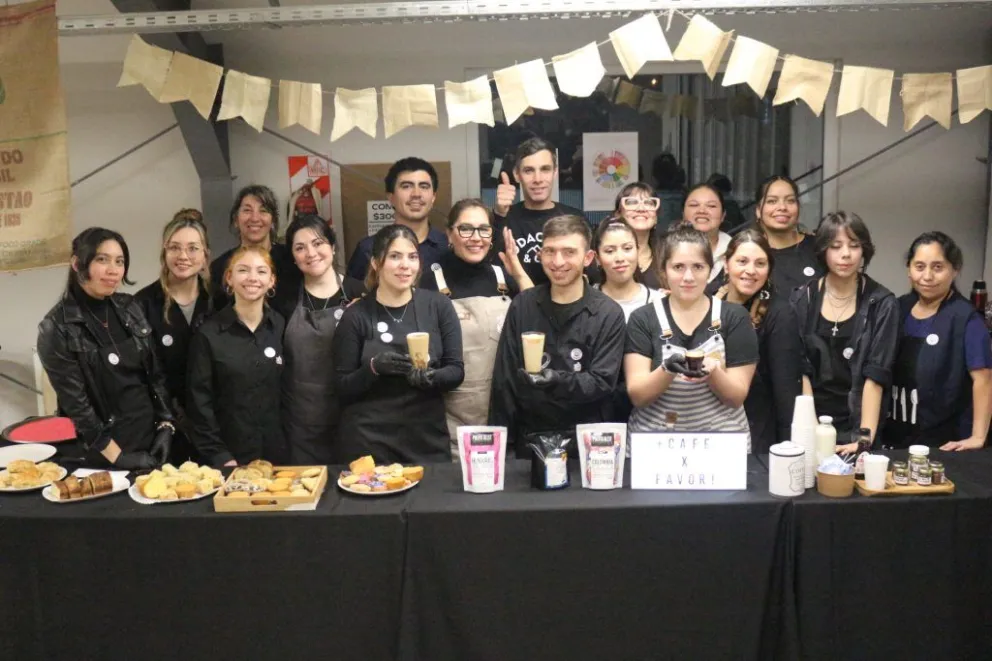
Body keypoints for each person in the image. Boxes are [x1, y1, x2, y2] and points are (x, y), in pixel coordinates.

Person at [489, 215, 627, 457]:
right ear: (539, 254)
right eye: (550, 251)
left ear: (588, 258)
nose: (558, 261)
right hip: (529, 439)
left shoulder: (608, 313)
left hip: (588, 444)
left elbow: (602, 382)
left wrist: (556, 380)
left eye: (569, 252)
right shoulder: (523, 305)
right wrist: (502, 449)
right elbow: (505, 381)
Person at [37, 228, 175, 469]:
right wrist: (118, 458)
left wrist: (166, 424)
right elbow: (78, 408)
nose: (113, 270)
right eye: (102, 259)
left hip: (151, 440)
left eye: (119, 262)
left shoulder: (130, 307)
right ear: (77, 263)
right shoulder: (56, 328)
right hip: (103, 454)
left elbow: (156, 376)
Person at [333, 225, 465, 464]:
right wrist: (373, 368)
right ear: (376, 263)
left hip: (426, 437)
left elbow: (456, 370)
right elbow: (342, 387)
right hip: (369, 440)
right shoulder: (356, 315)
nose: (405, 265)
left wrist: (432, 376)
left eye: (412, 257)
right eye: (395, 256)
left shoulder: (439, 306)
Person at [625, 227, 758, 450]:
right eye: (678, 267)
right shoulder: (643, 319)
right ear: (664, 271)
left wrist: (713, 372)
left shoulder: (734, 317)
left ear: (710, 270)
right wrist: (667, 369)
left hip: (721, 444)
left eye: (698, 267)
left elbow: (736, 397)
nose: (688, 277)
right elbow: (638, 396)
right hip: (656, 443)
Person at [419, 199, 533, 456]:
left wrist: (518, 272)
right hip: (453, 417)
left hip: (505, 408)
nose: (476, 237)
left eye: (483, 229)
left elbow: (537, 317)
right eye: (466, 229)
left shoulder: (503, 276)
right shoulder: (430, 281)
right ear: (450, 233)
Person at [791, 212, 899, 451]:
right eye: (835, 246)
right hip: (810, 422)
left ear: (864, 250)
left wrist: (863, 440)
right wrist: (812, 432)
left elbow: (876, 375)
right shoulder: (802, 298)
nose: (846, 254)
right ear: (823, 250)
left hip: (860, 424)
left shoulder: (882, 303)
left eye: (854, 245)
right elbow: (801, 369)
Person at [882, 232, 992, 451]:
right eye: (919, 267)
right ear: (909, 269)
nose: (927, 276)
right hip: (896, 435)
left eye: (938, 267)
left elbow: (984, 380)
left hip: (944, 442)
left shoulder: (966, 318)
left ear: (955, 269)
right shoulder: (897, 307)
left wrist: (978, 437)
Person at [274, 214, 365, 464]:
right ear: (293, 257)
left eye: (318, 243)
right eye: (300, 248)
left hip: (352, 418)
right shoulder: (284, 299)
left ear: (333, 246)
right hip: (301, 422)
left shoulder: (360, 292)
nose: (311, 253)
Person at [186, 247, 287, 466]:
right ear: (229, 278)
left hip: (277, 456)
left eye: (261, 271)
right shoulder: (209, 334)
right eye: (243, 270)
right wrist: (220, 456)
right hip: (230, 458)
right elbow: (199, 405)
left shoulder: (280, 326)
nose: (252, 278)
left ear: (272, 281)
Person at [713, 230, 803, 453]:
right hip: (707, 423)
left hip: (757, 429)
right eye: (742, 261)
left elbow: (785, 389)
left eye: (760, 263)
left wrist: (789, 448)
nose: (750, 271)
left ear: (769, 270)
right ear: (726, 264)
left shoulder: (780, 313)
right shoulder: (707, 300)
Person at [135, 209, 213, 463]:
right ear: (164, 252)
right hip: (163, 427)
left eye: (193, 248)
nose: (183, 256)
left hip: (214, 425)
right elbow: (143, 375)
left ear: (205, 254)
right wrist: (166, 420)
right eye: (175, 248)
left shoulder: (219, 302)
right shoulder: (142, 305)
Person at [593, 218, 663, 424]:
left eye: (627, 248)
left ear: (638, 251)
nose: (620, 258)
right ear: (597, 258)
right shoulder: (586, 301)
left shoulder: (660, 302)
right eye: (610, 250)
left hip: (651, 412)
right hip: (598, 412)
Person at [491, 137, 585, 286]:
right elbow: (489, 269)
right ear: (517, 174)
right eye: (529, 171)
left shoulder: (575, 219)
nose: (538, 179)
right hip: (513, 300)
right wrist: (499, 215)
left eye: (545, 169)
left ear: (555, 172)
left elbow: (589, 275)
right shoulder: (503, 218)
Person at [345, 157, 449, 280]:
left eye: (424, 186)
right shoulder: (369, 249)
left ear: (433, 197)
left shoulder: (449, 247)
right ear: (391, 197)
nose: (416, 194)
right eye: (406, 186)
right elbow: (352, 291)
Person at [209, 184, 300, 311]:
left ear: (273, 220)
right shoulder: (220, 266)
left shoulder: (292, 260)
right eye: (247, 210)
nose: (255, 218)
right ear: (236, 219)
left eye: (263, 211)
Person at [754, 175, 821, 294]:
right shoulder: (747, 251)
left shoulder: (819, 248)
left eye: (790, 201)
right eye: (772, 201)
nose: (782, 207)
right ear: (758, 210)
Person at [613, 181, 665, 290]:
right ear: (618, 214)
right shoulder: (602, 258)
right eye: (632, 202)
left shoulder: (667, 255)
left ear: (656, 218)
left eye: (648, 203)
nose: (641, 209)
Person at [682, 183, 731, 284]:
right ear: (683, 213)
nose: (702, 211)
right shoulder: (666, 250)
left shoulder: (735, 251)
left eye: (711, 206)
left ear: (723, 215)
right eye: (694, 205)